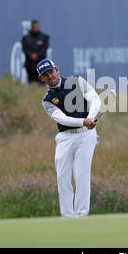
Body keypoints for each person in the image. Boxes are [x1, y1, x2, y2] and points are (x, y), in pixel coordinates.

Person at [38, 59, 101, 218]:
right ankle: (67, 217)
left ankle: (81, 216)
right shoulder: (47, 100)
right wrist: (84, 121)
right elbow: (62, 119)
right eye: (46, 75)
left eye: (51, 72)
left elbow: (95, 99)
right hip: (65, 137)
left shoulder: (77, 82)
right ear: (41, 79)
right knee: (62, 176)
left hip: (86, 135)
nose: (50, 76)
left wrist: (91, 117)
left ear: (57, 69)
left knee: (81, 175)